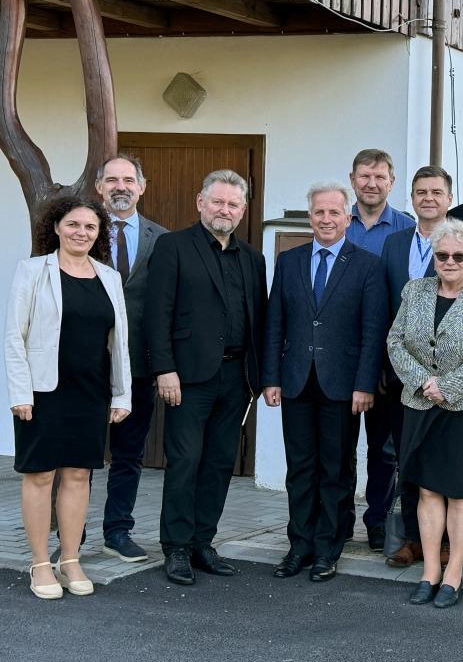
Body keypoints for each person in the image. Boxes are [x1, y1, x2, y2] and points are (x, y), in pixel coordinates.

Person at [145, 169, 267, 586]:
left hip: (237, 378)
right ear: (200, 202)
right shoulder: (173, 247)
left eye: (233, 204)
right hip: (187, 378)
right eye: (217, 201)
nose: (225, 210)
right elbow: (156, 314)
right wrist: (164, 369)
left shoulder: (252, 258)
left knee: (218, 463)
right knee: (184, 461)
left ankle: (202, 542)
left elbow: (259, 322)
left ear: (243, 210)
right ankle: (176, 547)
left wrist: (261, 377)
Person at [5, 197, 131, 599]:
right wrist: (20, 393)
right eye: (73, 225)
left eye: (90, 227)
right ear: (56, 227)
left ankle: (70, 559)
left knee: (79, 475)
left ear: (99, 235)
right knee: (40, 474)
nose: (82, 233)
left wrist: (121, 394)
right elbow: (14, 337)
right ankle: (41, 563)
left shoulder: (109, 277)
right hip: (43, 392)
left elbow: (120, 342)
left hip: (91, 390)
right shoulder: (32, 271)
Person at [262, 183, 387, 582]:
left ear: (347, 219)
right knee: (299, 468)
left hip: (343, 385)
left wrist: (365, 384)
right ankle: (299, 545)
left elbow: (373, 331)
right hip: (296, 380)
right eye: (320, 213)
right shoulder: (289, 260)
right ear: (310, 217)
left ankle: (328, 548)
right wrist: (271, 377)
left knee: (335, 469)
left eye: (335, 213)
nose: (327, 219)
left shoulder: (367, 264)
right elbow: (274, 323)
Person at [387, 219, 463, 608]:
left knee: (458, 490)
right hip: (419, 403)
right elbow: (395, 340)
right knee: (426, 488)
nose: (450, 261)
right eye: (442, 255)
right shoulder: (415, 289)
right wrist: (423, 381)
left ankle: (453, 573)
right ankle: (429, 573)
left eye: (459, 255)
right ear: (433, 258)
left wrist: (449, 386)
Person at [379, 166, 463, 568]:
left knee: (455, 476)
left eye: (436, 192)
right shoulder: (393, 244)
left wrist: (450, 384)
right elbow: (387, 317)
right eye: (420, 191)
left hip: (461, 391)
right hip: (407, 379)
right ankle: (414, 538)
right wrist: (418, 378)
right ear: (411, 197)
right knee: (411, 465)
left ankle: (450, 548)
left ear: (448, 197)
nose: (428, 198)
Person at [95, 154, 167, 563]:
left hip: (138, 365)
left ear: (142, 186)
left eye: (128, 179)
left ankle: (117, 531)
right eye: (111, 180)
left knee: (128, 454)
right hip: (86, 364)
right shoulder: (82, 232)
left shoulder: (163, 238)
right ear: (99, 187)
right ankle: (69, 534)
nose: (120, 186)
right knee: (80, 456)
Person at [345, 149, 416, 551]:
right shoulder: (339, 224)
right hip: (342, 354)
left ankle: (376, 523)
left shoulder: (405, 231)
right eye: (365, 176)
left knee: (383, 449)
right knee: (338, 448)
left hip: (389, 361)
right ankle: (338, 523)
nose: (372, 183)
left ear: (392, 182)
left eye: (380, 177)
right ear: (353, 179)